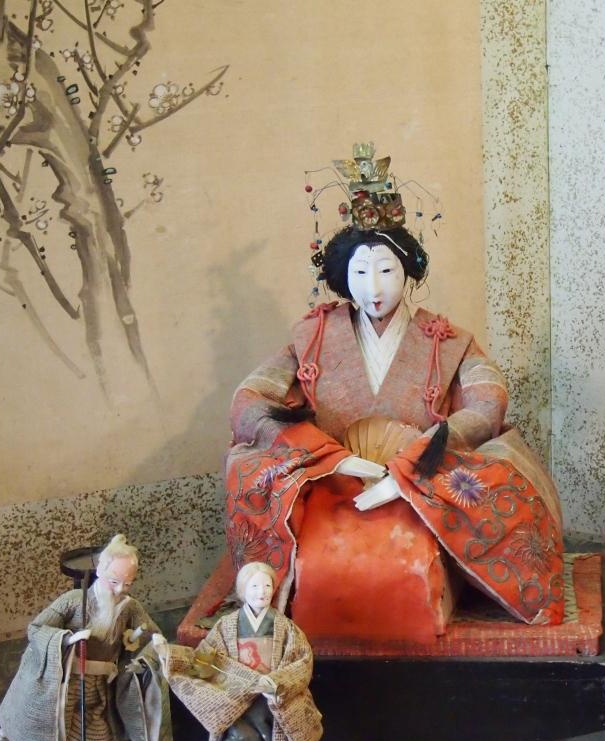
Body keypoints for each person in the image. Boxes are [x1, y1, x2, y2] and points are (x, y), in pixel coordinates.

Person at [190, 152, 565, 647]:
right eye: (360, 272)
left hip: (422, 483)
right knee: (295, 526)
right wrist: (324, 456)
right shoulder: (314, 336)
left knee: (452, 519)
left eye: (387, 270)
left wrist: (414, 467)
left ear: (408, 272)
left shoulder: (446, 340)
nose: (374, 288)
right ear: (341, 276)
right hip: (331, 482)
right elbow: (250, 398)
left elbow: (487, 401)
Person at [0, 535, 164, 741]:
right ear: (100, 571)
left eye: (127, 584)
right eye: (114, 581)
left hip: (98, 684)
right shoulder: (73, 600)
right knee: (44, 731)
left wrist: (151, 644)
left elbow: (150, 634)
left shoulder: (130, 608)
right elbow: (36, 628)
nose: (119, 589)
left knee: (96, 733)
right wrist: (67, 639)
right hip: (62, 681)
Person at [159, 563, 321, 741]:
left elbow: (302, 661)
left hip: (271, 703)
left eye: (267, 585)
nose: (262, 591)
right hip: (236, 704)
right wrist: (169, 654)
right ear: (243, 590)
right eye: (254, 586)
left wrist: (277, 683)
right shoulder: (226, 626)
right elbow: (204, 659)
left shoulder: (285, 627)